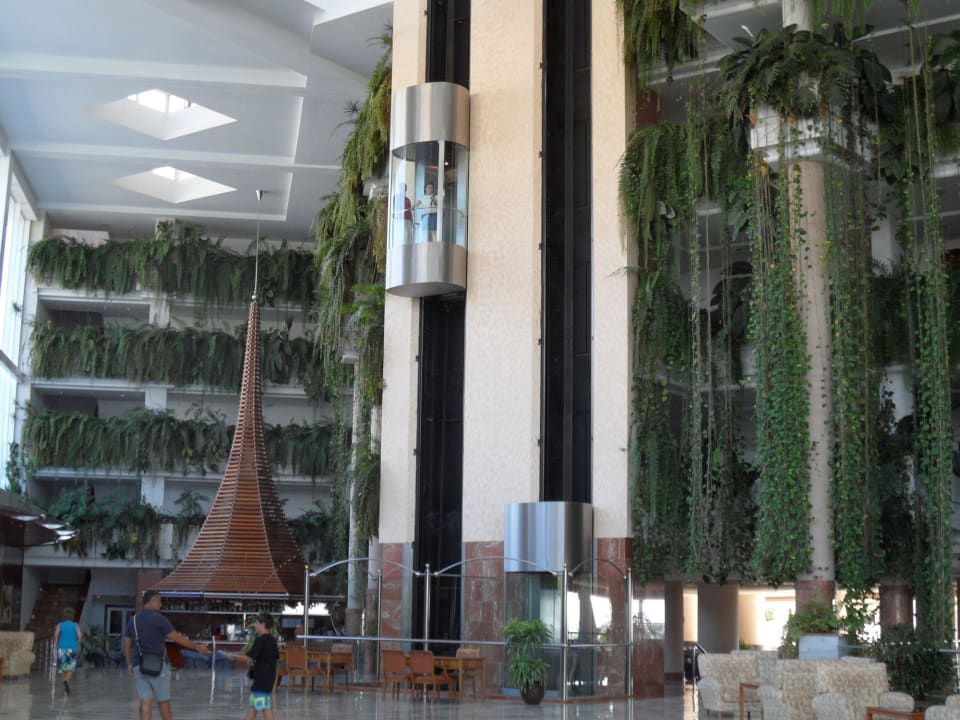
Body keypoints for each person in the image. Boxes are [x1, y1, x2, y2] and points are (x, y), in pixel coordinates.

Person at [123, 590, 210, 720]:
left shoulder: (133, 620)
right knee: (163, 700)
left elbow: (126, 646)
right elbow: (177, 638)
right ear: (152, 602)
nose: (160, 605)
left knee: (146, 700)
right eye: (159, 601)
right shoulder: (160, 619)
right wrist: (197, 647)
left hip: (139, 666)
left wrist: (130, 663)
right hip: (159, 666)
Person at [226, 613, 280, 720]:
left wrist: (233, 656)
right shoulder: (272, 640)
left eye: (256, 623)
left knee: (264, 706)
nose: (255, 625)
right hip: (268, 677)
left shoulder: (260, 640)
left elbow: (249, 658)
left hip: (262, 679)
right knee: (253, 706)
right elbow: (270, 658)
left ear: (262, 624)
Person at [53, 607, 83, 696]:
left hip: (61, 648)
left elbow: (56, 636)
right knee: (71, 667)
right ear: (72, 616)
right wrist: (77, 642)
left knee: (63, 667)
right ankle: (66, 681)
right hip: (71, 648)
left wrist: (56, 645)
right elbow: (80, 636)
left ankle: (65, 685)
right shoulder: (75, 625)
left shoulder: (60, 625)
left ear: (64, 616)